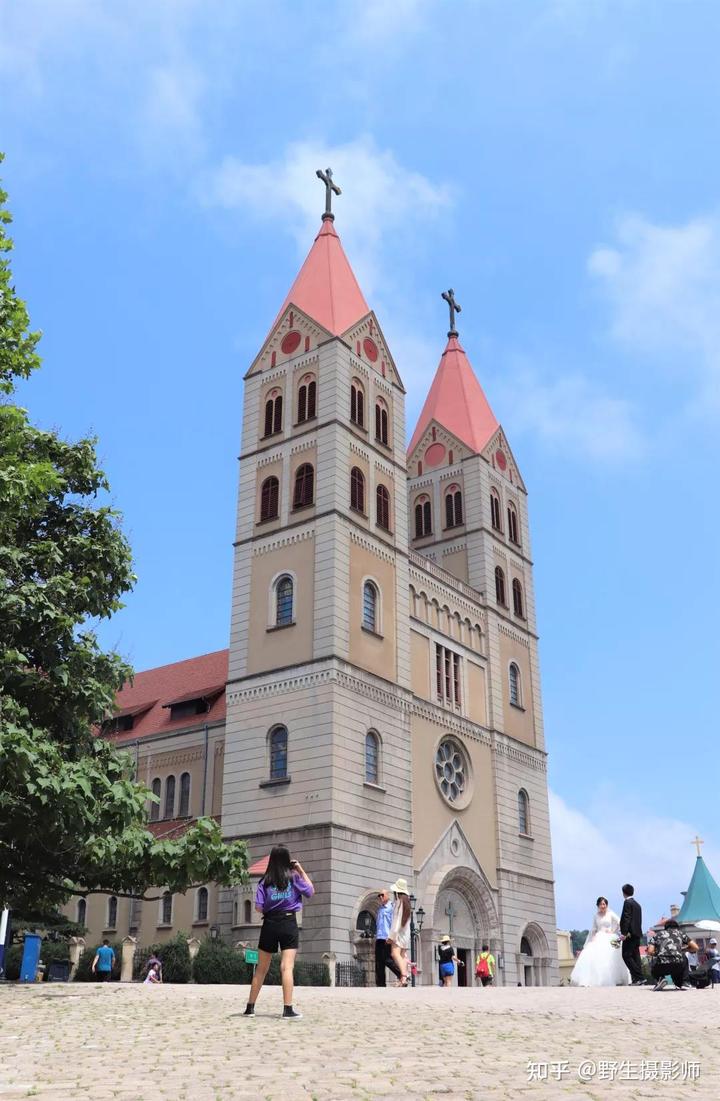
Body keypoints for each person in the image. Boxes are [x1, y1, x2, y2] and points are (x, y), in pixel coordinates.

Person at [243, 845, 313, 1020]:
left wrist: (271, 904)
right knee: (286, 967)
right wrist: (300, 869)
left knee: (261, 969)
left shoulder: (263, 882)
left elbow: (258, 908)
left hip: (270, 924)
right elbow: (311, 891)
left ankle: (250, 1008)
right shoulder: (294, 878)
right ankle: (287, 1009)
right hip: (288, 922)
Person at [570, 896, 630, 987]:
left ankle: (617, 979)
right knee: (594, 957)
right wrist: (593, 937)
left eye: (604, 904)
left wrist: (613, 931)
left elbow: (619, 922)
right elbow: (594, 928)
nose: (603, 906)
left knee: (612, 957)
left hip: (610, 937)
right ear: (598, 905)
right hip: (599, 936)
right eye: (601, 904)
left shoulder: (610, 914)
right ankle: (596, 980)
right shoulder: (596, 916)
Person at [647, 919, 697, 991]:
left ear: (665, 927)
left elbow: (650, 951)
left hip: (661, 966)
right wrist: (682, 950)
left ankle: (660, 979)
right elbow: (695, 947)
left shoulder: (657, 935)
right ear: (677, 927)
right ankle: (685, 982)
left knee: (652, 959)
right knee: (683, 957)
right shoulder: (681, 933)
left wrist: (658, 953)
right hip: (678, 965)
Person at [387, 877, 411, 987]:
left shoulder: (399, 902)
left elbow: (396, 921)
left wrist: (392, 936)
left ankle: (404, 977)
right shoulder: (407, 902)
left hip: (399, 933)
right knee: (402, 956)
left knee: (394, 954)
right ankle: (402, 979)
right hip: (406, 934)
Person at [375, 888, 402, 987]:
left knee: (387, 959)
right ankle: (380, 984)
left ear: (387, 895)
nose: (380, 897)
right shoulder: (380, 909)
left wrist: (392, 937)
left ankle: (402, 975)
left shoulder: (391, 908)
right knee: (379, 962)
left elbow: (394, 924)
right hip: (379, 938)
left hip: (387, 938)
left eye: (382, 895)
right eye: (379, 895)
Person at [619, 884, 645, 985]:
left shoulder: (627, 903)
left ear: (624, 893)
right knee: (635, 956)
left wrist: (624, 933)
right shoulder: (637, 904)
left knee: (626, 955)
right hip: (637, 934)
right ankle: (636, 979)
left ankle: (639, 977)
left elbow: (626, 918)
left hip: (629, 934)